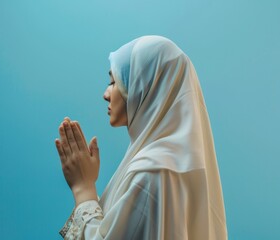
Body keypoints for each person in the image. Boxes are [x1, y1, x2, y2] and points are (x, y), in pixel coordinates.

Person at [54, 35, 227, 239]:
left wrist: (83, 188)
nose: (106, 94)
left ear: (144, 86)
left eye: (114, 81)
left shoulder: (152, 172)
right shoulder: (174, 164)